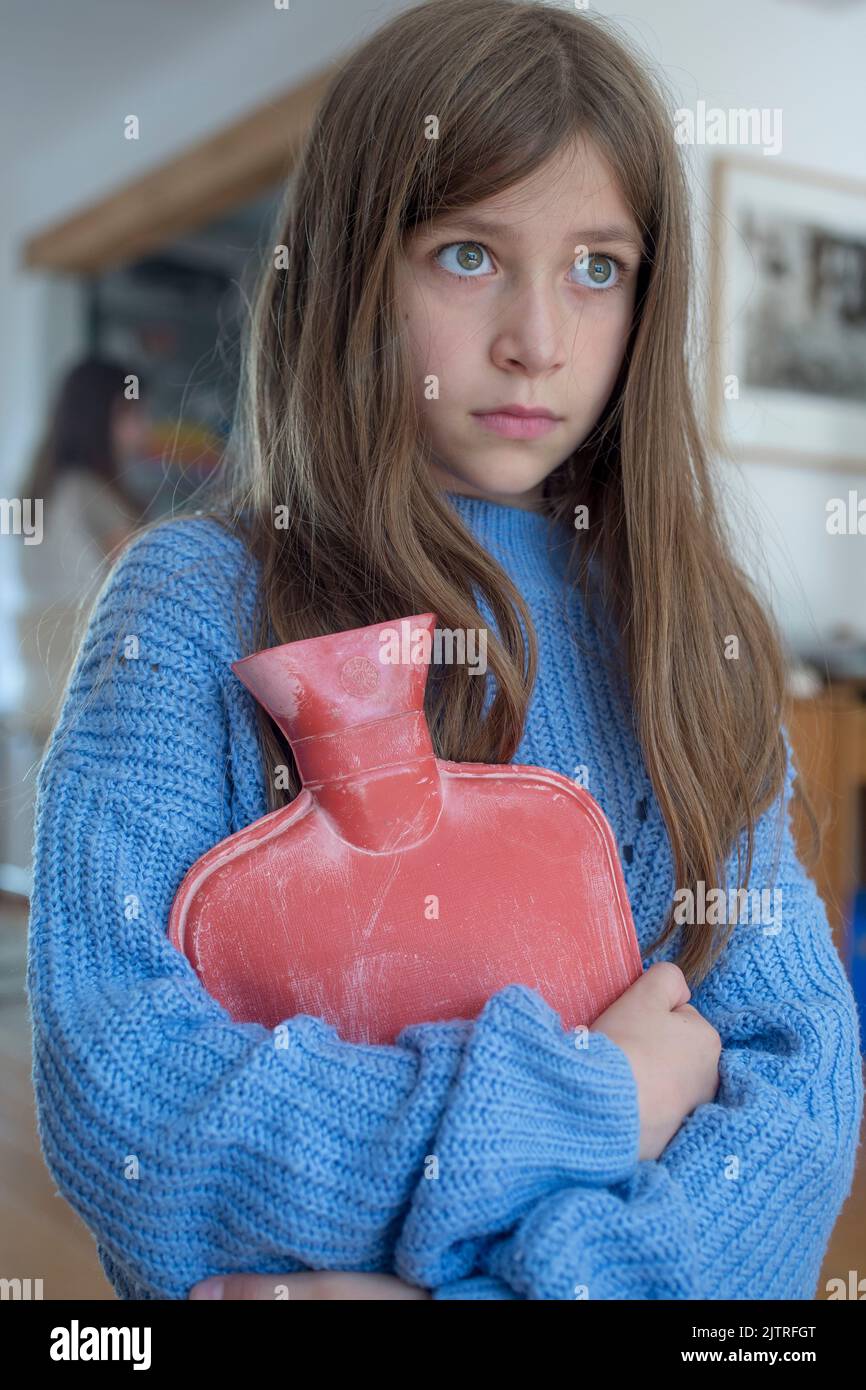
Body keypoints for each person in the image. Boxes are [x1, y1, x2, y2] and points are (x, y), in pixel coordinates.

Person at [26, 0, 862, 1301]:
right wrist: (591, 1099)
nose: (538, 334)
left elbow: (795, 1084)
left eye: (597, 266)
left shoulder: (686, 632)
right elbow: (124, 1089)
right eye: (468, 254)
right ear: (356, 270)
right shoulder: (190, 603)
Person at [16, 355, 147, 737]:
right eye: (134, 414)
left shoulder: (39, 488)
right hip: (86, 681)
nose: (144, 428)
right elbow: (144, 576)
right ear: (102, 417)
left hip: (38, 687)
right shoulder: (91, 491)